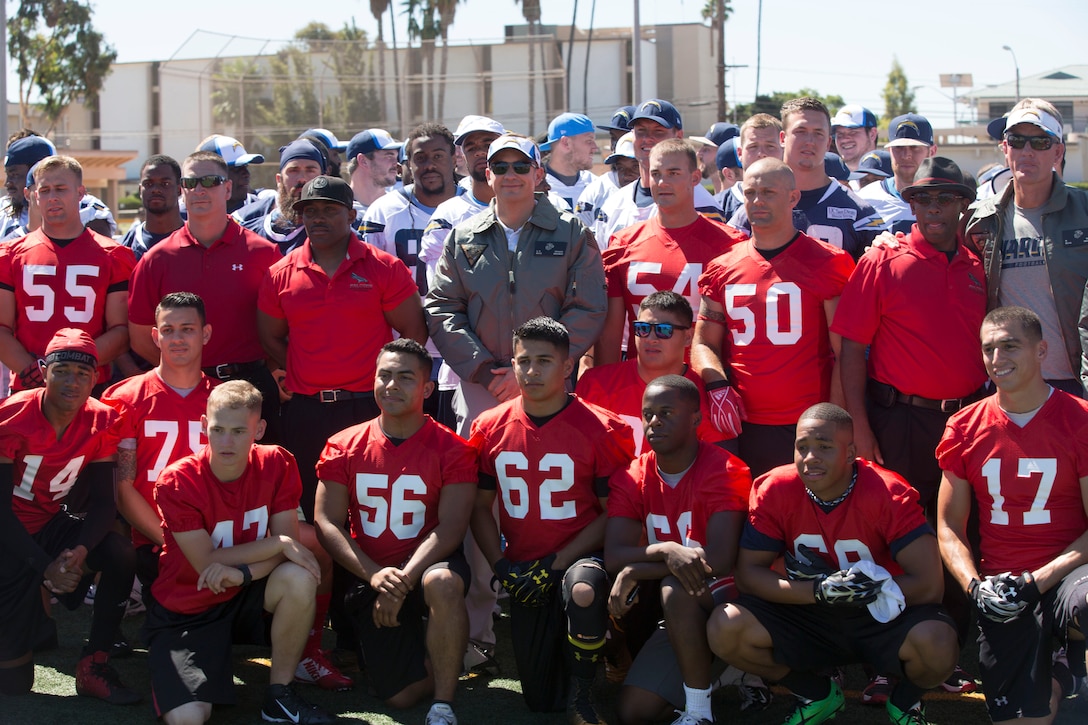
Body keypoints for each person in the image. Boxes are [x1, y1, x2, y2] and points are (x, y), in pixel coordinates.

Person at [426, 132, 607, 669]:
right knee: (481, 501)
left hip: (552, 392)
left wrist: (541, 369)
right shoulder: (464, 234)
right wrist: (488, 370)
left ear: (538, 172)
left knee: (556, 499)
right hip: (484, 390)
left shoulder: (572, 232)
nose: (508, 174)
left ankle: (559, 612)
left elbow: (588, 306)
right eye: (497, 166)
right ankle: (480, 627)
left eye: (519, 165)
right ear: (486, 176)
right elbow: (441, 307)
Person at [833, 155, 988, 701]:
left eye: (945, 198)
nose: (934, 209)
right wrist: (859, 425)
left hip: (966, 420)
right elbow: (852, 350)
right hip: (898, 418)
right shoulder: (884, 258)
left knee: (958, 536)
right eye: (923, 198)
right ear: (910, 203)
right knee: (893, 539)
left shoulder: (975, 265)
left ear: (964, 205)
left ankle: (942, 657)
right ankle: (883, 660)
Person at [707, 403, 959, 725]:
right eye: (802, 447)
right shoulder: (775, 488)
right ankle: (816, 693)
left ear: (851, 452)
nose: (810, 457)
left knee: (938, 641)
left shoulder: (887, 491)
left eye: (824, 447)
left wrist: (865, 591)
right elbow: (748, 575)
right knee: (725, 626)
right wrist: (819, 591)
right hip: (809, 614)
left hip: (878, 616)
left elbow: (929, 584)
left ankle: (904, 703)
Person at [468, 317, 635, 723]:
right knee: (541, 699)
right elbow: (479, 507)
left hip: (580, 561)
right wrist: (501, 566)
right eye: (524, 361)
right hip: (524, 566)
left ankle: (585, 691)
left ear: (568, 366)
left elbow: (612, 510)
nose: (531, 371)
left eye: (544, 361)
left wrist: (556, 563)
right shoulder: (490, 427)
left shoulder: (600, 427)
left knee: (582, 589)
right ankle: (606, 642)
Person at [145, 380, 333, 725]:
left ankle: (280, 694)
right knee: (188, 718)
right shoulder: (177, 480)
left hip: (246, 592)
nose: (226, 441)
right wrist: (276, 543)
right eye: (217, 429)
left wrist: (247, 572)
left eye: (237, 431)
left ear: (259, 429)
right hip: (191, 606)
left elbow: (289, 551)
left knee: (299, 578)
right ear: (204, 426)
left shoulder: (277, 462)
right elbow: (207, 562)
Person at [937, 306, 1088, 725]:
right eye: (989, 348)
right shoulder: (965, 427)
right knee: (1024, 721)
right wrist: (974, 588)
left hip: (1071, 574)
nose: (997, 357)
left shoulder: (1080, 420)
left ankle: (1071, 650)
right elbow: (949, 527)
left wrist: (1038, 581)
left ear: (1042, 350)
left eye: (1009, 345)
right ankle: (1059, 671)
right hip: (1003, 585)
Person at [315, 338, 477, 725]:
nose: (392, 385)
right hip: (370, 574)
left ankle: (443, 702)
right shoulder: (343, 445)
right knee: (400, 697)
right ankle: (441, 653)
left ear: (427, 388)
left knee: (444, 583)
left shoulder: (454, 449)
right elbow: (326, 522)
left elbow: (452, 528)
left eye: (405, 377)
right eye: (384, 375)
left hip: (425, 568)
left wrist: (402, 580)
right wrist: (375, 575)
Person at [258, 174, 426, 523]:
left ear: (351, 215)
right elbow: (269, 336)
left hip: (369, 407)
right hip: (307, 413)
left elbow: (413, 331)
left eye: (329, 210)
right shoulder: (280, 273)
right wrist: (295, 369)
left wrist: (393, 385)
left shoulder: (382, 267)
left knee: (371, 509)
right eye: (309, 211)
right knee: (313, 510)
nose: (317, 218)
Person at [0, 328, 138, 703]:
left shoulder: (103, 418)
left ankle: (95, 662)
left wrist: (78, 550)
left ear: (96, 378)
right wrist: (44, 567)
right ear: (44, 371)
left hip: (48, 524)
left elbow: (105, 504)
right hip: (8, 536)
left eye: (82, 374)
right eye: (62, 370)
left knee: (119, 552)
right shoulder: (11, 415)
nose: (71, 382)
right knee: (13, 687)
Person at [693, 158, 854, 476]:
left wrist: (834, 419)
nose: (757, 201)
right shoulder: (722, 266)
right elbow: (702, 341)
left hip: (806, 423)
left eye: (768, 192)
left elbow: (844, 353)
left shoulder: (828, 262)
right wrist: (716, 383)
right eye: (750, 193)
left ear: (793, 197)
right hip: (740, 423)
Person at [606, 375, 752, 725]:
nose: (654, 422)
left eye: (667, 412)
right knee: (634, 712)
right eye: (648, 414)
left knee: (676, 587)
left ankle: (699, 713)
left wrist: (638, 568)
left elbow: (718, 560)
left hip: (736, 599)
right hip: (683, 608)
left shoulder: (725, 468)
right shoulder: (632, 475)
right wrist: (667, 550)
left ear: (696, 419)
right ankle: (723, 671)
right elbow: (614, 555)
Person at [128, 150, 284, 441]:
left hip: (251, 385)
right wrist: (183, 371)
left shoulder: (263, 253)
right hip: (183, 389)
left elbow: (282, 327)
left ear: (227, 188)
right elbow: (139, 337)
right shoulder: (156, 259)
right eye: (190, 183)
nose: (199, 190)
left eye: (210, 181)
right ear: (181, 191)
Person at [964, 99, 1088, 398]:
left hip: (1074, 382)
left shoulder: (1084, 211)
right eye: (1017, 141)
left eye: (1041, 142)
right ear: (1005, 149)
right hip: (1009, 384)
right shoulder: (979, 221)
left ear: (1058, 152)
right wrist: (886, 242)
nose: (1027, 151)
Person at [101, 293, 217, 599]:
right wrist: (172, 542)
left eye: (187, 329)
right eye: (168, 330)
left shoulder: (227, 399)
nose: (177, 339)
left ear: (205, 333)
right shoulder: (125, 397)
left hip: (220, 538)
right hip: (154, 542)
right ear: (155, 335)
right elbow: (122, 488)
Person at [596, 139, 744, 368]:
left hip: (705, 385)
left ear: (695, 178)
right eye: (656, 174)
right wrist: (605, 390)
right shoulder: (622, 244)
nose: (663, 182)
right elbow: (610, 336)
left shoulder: (732, 244)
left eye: (673, 173)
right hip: (643, 386)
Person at [0, 155, 135, 392]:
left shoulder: (114, 255)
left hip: (88, 383)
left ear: (81, 192)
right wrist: (33, 369)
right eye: (45, 190)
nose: (52, 197)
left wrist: (75, 367)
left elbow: (120, 331)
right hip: (29, 385)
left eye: (61, 189)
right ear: (32, 195)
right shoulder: (10, 255)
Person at [728, 97, 886, 260]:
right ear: (782, 138)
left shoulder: (859, 213)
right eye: (800, 131)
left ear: (828, 142)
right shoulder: (756, 204)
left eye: (818, 133)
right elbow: (728, 264)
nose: (809, 141)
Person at [578, 292, 726, 453]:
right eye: (643, 329)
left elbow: (719, 468)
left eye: (664, 330)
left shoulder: (707, 397)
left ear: (688, 337)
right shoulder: (595, 382)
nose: (651, 338)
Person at [594, 98, 723, 247]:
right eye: (641, 131)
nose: (648, 138)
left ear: (678, 136)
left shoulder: (701, 203)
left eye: (658, 131)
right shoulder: (613, 204)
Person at [238, 139, 327, 254]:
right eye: (294, 170)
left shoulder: (336, 235)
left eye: (310, 170)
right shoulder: (248, 233)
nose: (302, 178)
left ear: (324, 179)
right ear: (279, 180)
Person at [859, 114, 939, 234]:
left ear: (932, 151)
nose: (906, 155)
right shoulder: (865, 199)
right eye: (899, 147)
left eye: (914, 147)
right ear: (889, 151)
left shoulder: (947, 198)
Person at [718, 113, 784, 220]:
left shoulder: (795, 201)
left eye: (770, 146)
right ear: (740, 154)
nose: (761, 153)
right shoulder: (717, 206)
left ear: (783, 151)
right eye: (753, 146)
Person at [122, 155, 185, 260]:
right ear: (140, 190)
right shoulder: (125, 246)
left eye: (165, 184)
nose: (155, 189)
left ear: (179, 190)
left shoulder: (199, 240)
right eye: (148, 184)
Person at [0, 134, 57, 240]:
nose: (7, 183)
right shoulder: (2, 210)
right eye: (8, 175)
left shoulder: (85, 210)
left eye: (14, 175)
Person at [541, 112, 599, 209]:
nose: (595, 148)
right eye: (589, 141)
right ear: (566, 143)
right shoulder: (535, 186)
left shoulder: (597, 185)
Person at [196, 135, 266, 214]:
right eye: (236, 168)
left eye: (245, 166)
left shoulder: (262, 211)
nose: (246, 174)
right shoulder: (186, 216)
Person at [345, 128, 403, 219]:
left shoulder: (401, 207)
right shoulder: (338, 209)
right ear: (363, 161)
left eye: (397, 156)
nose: (396, 163)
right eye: (389, 156)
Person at [830, 105, 879, 172]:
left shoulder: (893, 179)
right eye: (839, 134)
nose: (844, 139)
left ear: (872, 134)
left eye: (852, 132)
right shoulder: (831, 179)